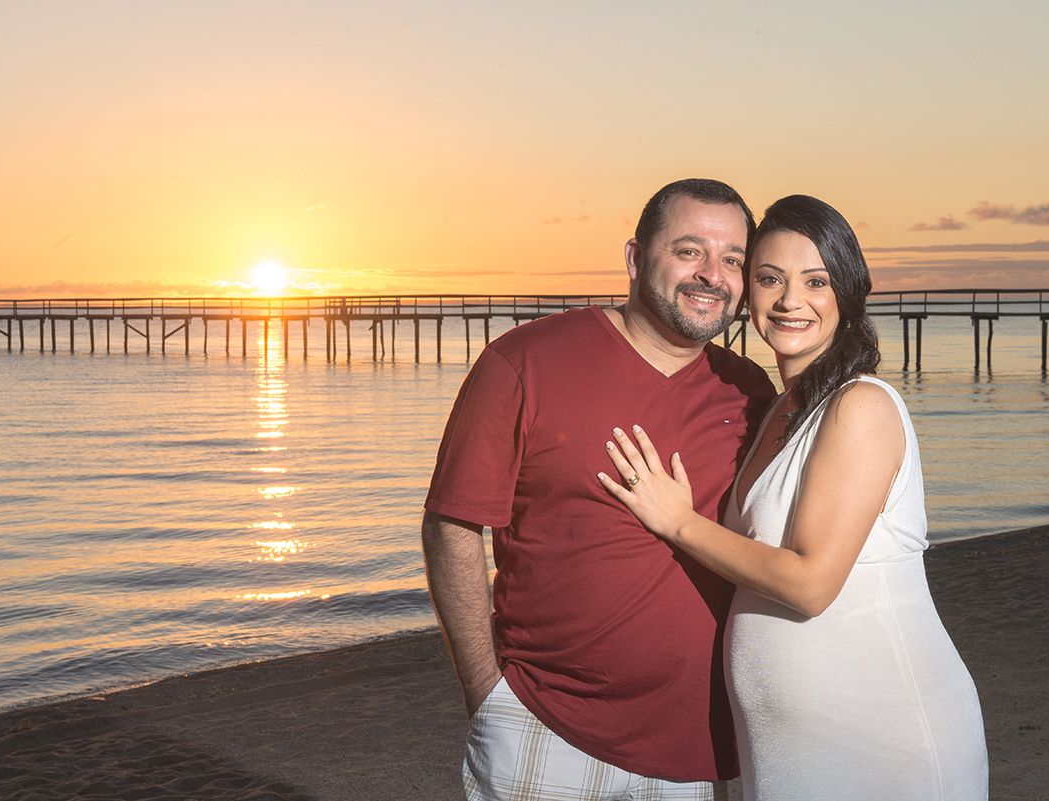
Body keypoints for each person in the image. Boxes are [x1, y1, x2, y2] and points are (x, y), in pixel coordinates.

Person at [599, 194, 990, 800]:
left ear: (847, 295)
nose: (789, 301)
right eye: (770, 279)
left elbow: (811, 584)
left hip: (881, 739)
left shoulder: (862, 406)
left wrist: (678, 522)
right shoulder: (776, 410)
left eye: (816, 281)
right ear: (747, 292)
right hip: (786, 750)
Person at [422, 179, 778, 800]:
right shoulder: (524, 362)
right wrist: (485, 692)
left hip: (705, 747)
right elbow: (452, 525)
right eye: (689, 250)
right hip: (545, 731)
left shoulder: (749, 392)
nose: (712, 275)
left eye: (732, 260)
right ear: (637, 258)